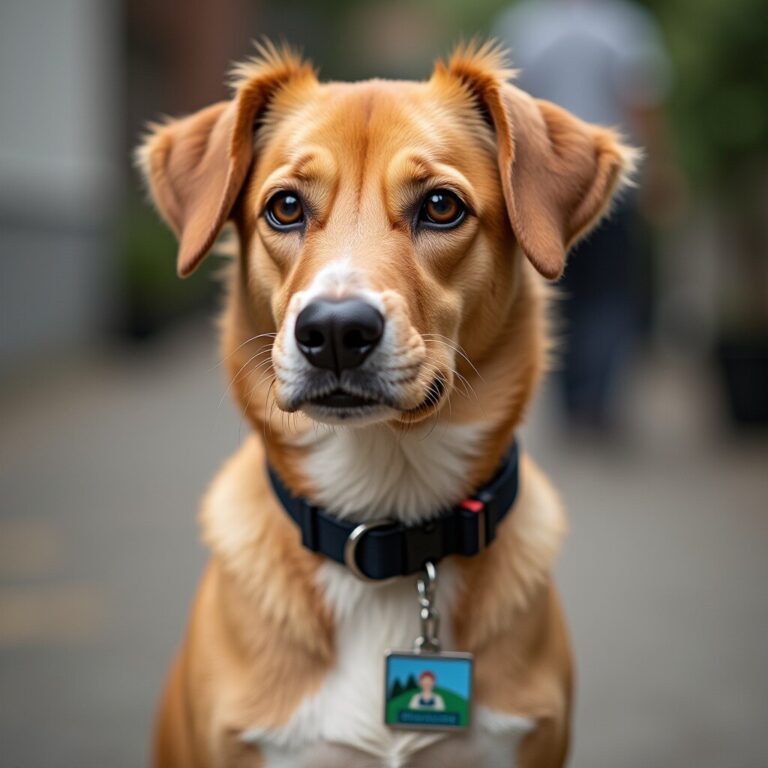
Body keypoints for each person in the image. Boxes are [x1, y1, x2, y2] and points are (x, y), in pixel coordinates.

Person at [494, 0, 676, 431]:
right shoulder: (624, 25)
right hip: (608, 185)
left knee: (558, 292)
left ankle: (574, 399)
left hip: (546, 189)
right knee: (611, 294)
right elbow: (642, 104)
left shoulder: (524, 24)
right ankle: (597, 397)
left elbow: (507, 111)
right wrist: (662, 169)